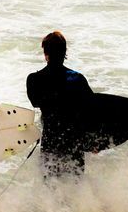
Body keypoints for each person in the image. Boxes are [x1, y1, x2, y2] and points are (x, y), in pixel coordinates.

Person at [26, 30, 96, 177]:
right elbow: (91, 110)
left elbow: (35, 102)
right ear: (64, 52)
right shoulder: (78, 79)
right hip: (74, 145)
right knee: (75, 190)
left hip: (51, 144)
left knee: (50, 191)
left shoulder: (35, 79)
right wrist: (93, 142)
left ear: (46, 54)